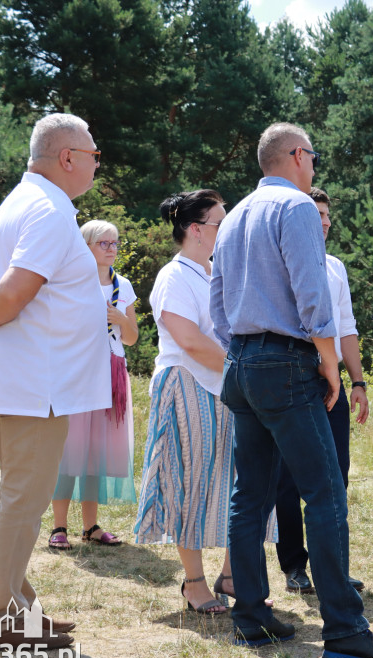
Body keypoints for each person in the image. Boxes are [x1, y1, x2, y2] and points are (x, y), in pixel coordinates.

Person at [211, 122, 373, 658]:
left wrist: (245, 351)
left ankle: (250, 617)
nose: (315, 167)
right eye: (313, 157)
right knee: (324, 493)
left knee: (248, 496)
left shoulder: (230, 219)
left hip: (242, 362)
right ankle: (345, 630)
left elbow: (217, 303)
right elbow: (311, 292)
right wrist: (327, 365)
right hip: (288, 361)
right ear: (297, 156)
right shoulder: (295, 207)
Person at [0, 113, 109, 650]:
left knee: (23, 497)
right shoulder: (49, 210)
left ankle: (19, 608)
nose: (97, 164)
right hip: (41, 381)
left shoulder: (17, 204)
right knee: (22, 501)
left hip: (33, 378)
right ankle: (1, 622)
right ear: (67, 158)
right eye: (94, 155)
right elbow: (12, 289)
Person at [133, 190, 275, 615]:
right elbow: (191, 341)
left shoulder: (218, 271)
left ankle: (231, 574)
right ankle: (193, 583)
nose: (228, 229)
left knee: (238, 481)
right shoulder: (173, 277)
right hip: (188, 384)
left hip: (231, 388)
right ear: (195, 230)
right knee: (190, 481)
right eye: (220, 222)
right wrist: (244, 366)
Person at [275, 187, 367, 595]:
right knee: (289, 479)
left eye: (327, 215)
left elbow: (345, 328)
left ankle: (335, 569)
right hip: (291, 380)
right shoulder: (278, 263)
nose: (325, 221)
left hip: (333, 386)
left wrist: (359, 381)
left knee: (336, 477)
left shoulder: (335, 267)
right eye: (317, 215)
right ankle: (295, 567)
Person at [48, 220, 139, 550]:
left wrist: (121, 319)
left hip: (111, 371)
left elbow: (131, 339)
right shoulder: (71, 282)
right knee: (71, 448)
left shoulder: (122, 285)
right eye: (104, 243)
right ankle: (59, 526)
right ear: (86, 246)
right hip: (77, 372)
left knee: (96, 451)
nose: (112, 248)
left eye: (115, 243)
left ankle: (91, 526)